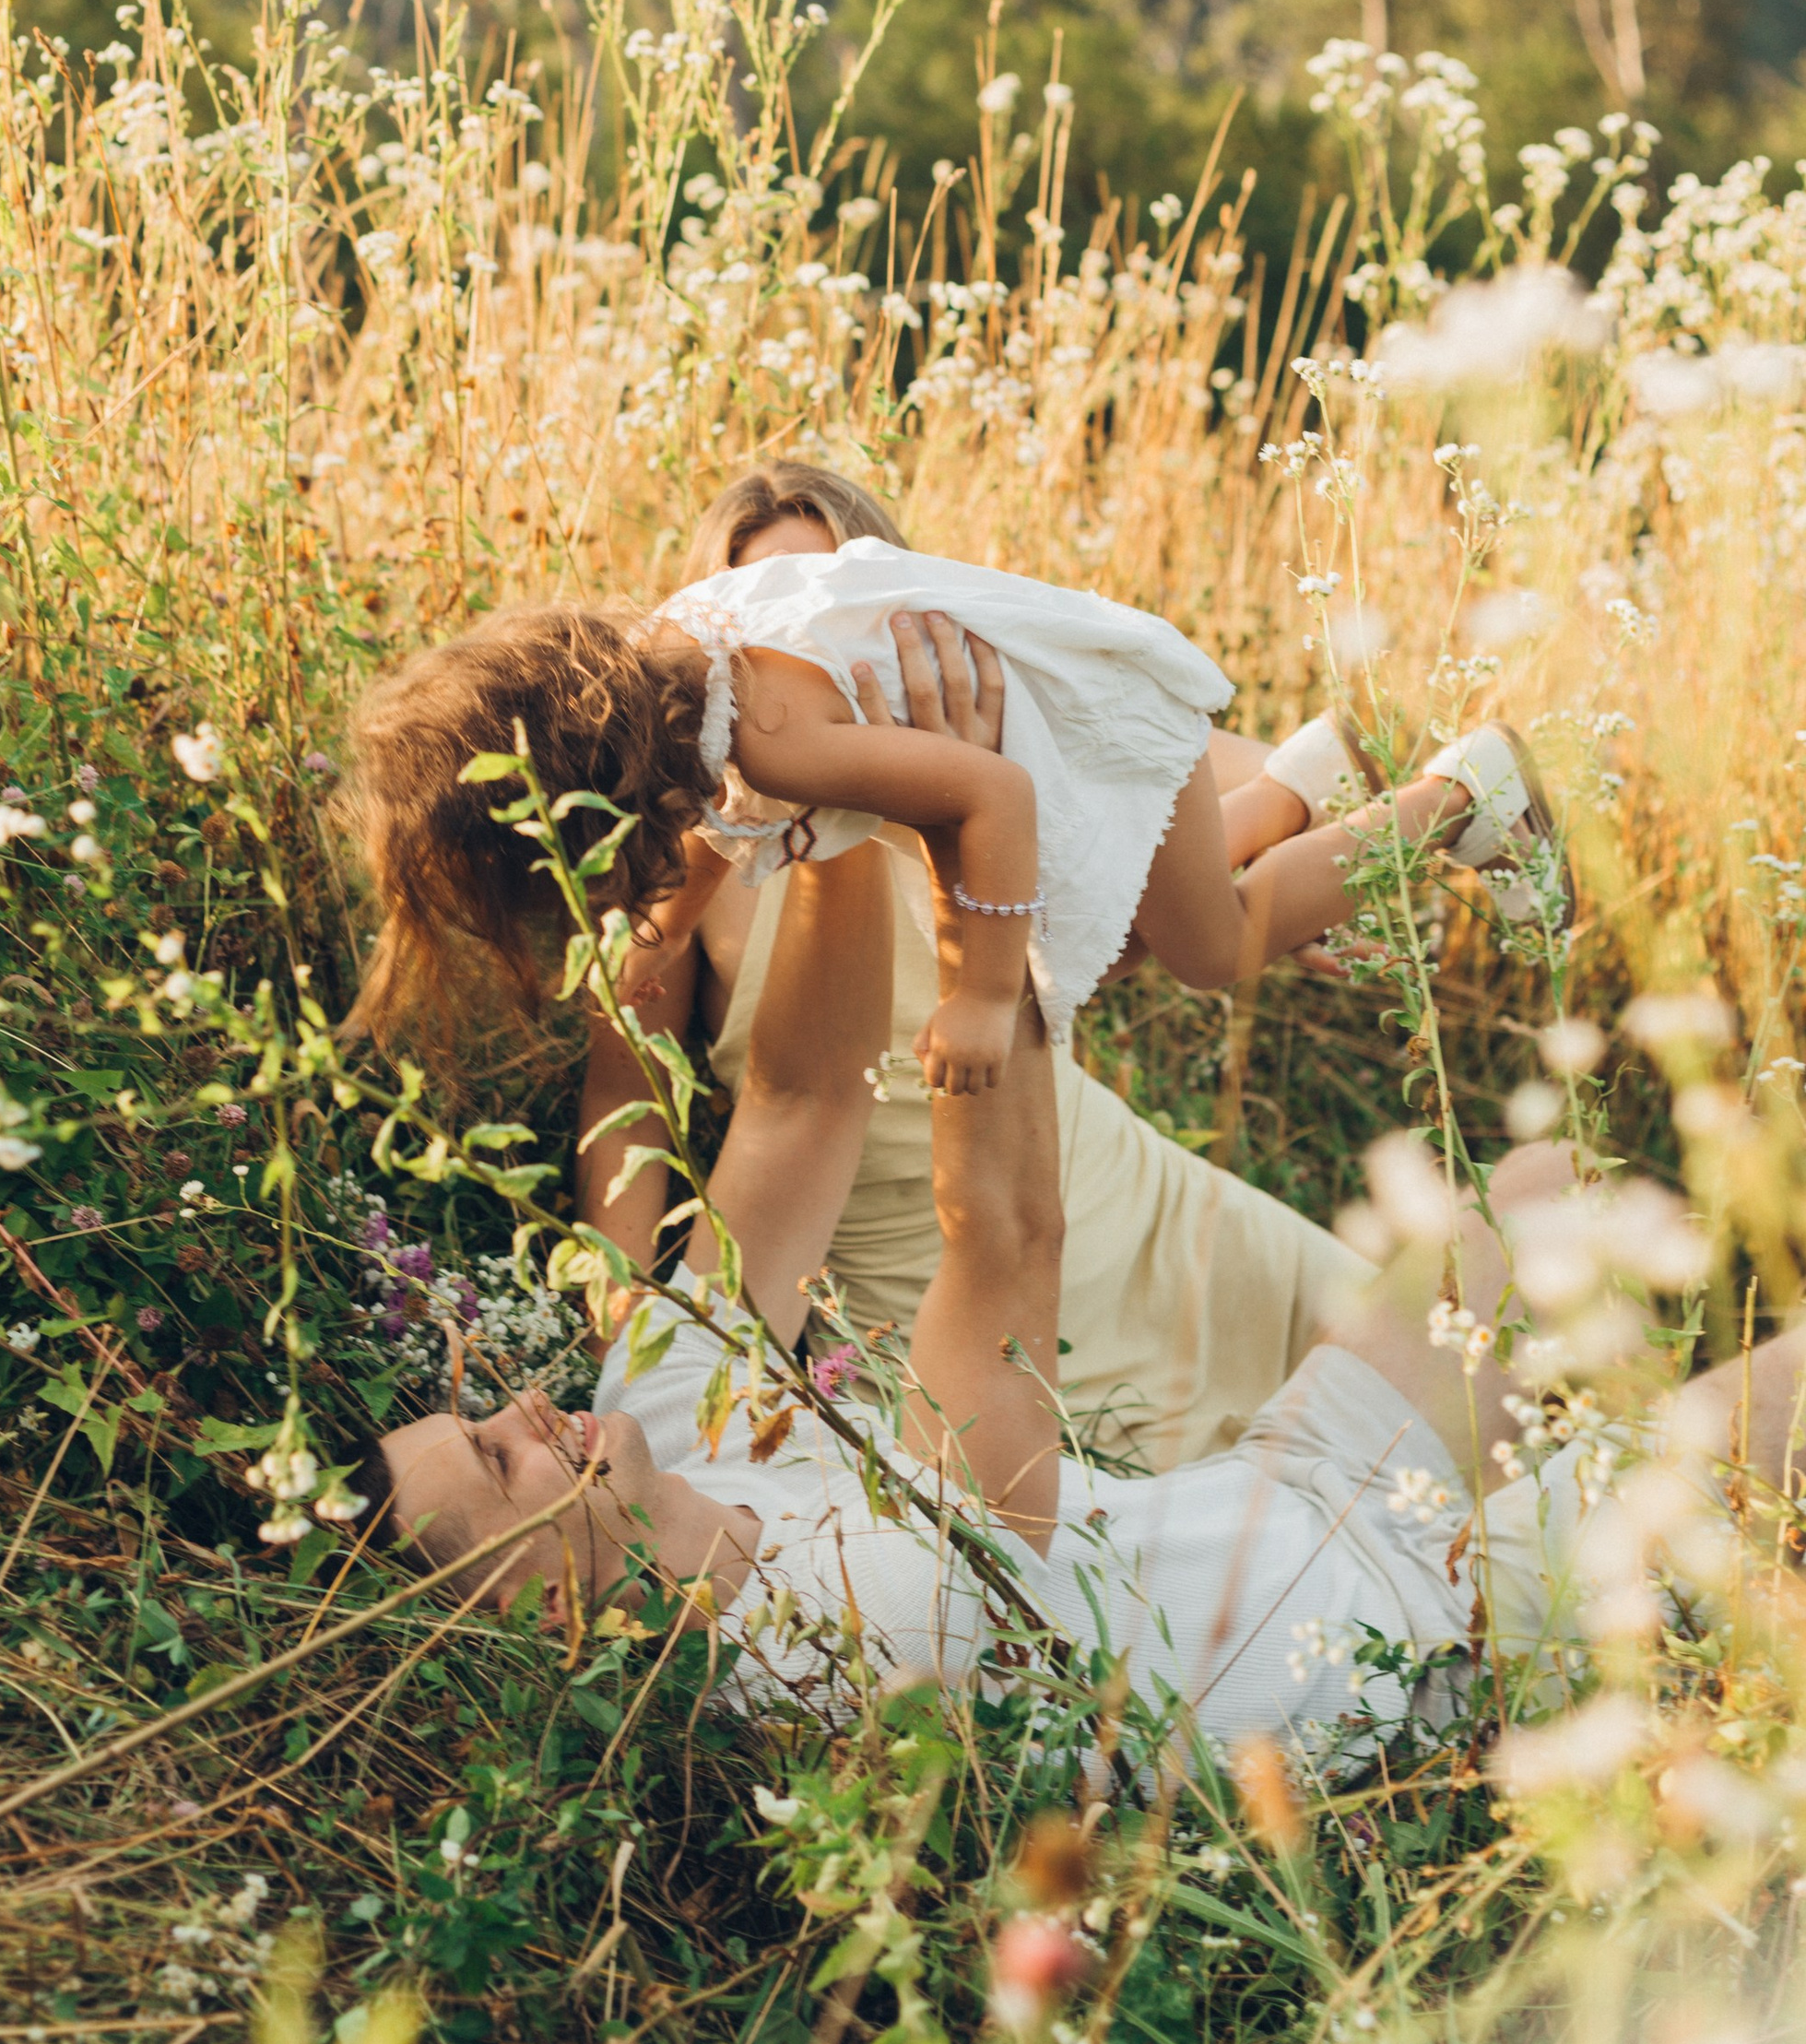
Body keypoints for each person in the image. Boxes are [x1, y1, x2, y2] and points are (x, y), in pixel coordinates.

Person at [363, 839, 1770, 1759]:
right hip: (1396, 1628)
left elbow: (797, 1107)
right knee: (1747, 1429)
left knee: (1533, 1191)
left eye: (483, 1413)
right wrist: (974, 838)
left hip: (1283, 1483)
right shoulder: (831, 1658)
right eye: (497, 1459)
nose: (525, 1404)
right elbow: (1008, 1246)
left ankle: (1606, 1475)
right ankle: (1603, 1551)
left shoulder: (661, 1418)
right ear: (539, 1616)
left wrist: (831, 830)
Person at [578, 460, 1370, 1468]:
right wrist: (617, 1322)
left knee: (1435, 1376)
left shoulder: (988, 725)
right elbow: (627, 1094)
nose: (810, 649)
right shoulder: (705, 834)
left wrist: (1272, 859)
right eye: (771, 613)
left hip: (1113, 1190)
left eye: (829, 608)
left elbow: (1194, 788)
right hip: (915, 1276)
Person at [343, 479, 1552, 1096]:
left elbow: (995, 800)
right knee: (1126, 924)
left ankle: (1459, 794)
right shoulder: (688, 652)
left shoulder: (769, 739)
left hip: (1077, 726)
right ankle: (1315, 774)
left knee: (1210, 945)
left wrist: (976, 999)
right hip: (1047, 713)